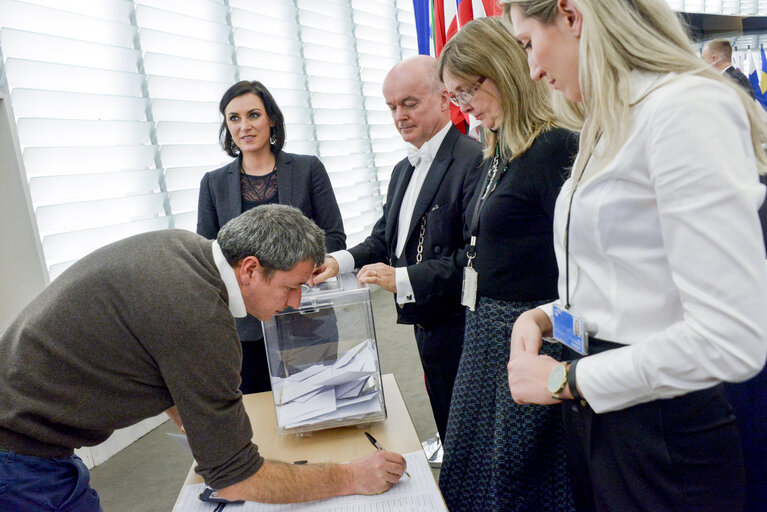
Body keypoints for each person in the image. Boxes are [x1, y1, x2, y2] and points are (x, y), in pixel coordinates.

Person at [503, 1, 767, 511]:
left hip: (665, 428)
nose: (532, 70)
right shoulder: (608, 121)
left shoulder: (684, 108)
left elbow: (732, 338)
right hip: (603, 415)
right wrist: (547, 317)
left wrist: (565, 380)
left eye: (528, 44)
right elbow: (627, 283)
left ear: (571, 16)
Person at [0, 205, 406, 511]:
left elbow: (169, 373)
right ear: (250, 269)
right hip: (22, 458)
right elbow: (234, 481)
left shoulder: (184, 251)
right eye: (292, 287)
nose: (295, 303)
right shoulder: (199, 315)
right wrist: (348, 476)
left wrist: (216, 440)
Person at [436, 17, 578, 512]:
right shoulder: (497, 150)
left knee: (520, 476)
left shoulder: (555, 146)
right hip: (485, 330)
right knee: (474, 469)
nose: (464, 105)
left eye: (468, 90)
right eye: (455, 96)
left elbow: (579, 267)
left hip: (530, 332)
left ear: (502, 69)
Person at [313, 55, 483, 448]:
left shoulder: (473, 160)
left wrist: (401, 279)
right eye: (391, 107)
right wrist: (336, 262)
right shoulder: (401, 170)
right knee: (446, 416)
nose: (399, 116)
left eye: (410, 103)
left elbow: (474, 258)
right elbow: (385, 239)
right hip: (425, 319)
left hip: (462, 322)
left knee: (470, 433)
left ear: (444, 100)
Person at [197, 80, 346, 394]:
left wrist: (297, 271)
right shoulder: (212, 183)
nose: (244, 126)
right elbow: (208, 254)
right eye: (234, 118)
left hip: (305, 313)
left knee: (316, 405)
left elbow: (334, 235)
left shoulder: (307, 169)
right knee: (259, 415)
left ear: (272, 119)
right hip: (246, 328)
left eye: (253, 115)